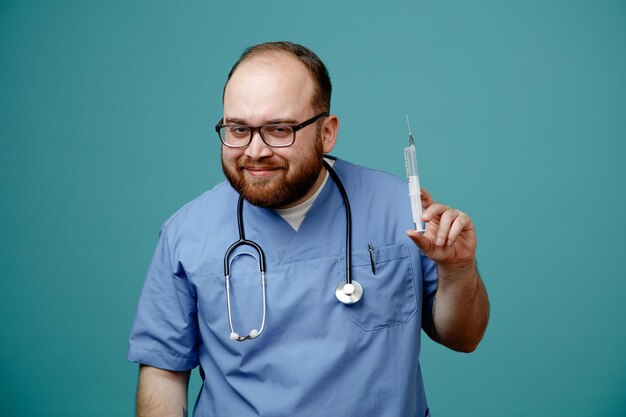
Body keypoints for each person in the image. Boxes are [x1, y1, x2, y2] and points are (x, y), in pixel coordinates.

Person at [128, 41, 489, 417]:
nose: (254, 150)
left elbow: (464, 338)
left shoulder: (401, 209)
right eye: (238, 129)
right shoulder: (185, 234)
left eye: (279, 129)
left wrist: (458, 269)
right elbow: (163, 371)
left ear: (327, 132)